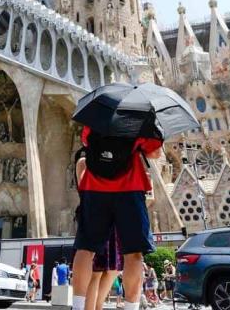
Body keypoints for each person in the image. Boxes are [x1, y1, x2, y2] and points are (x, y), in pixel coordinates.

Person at [70, 125, 164, 310]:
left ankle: (78, 306)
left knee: (85, 249)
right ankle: (131, 307)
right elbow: (155, 153)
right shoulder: (138, 119)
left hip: (94, 188)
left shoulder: (96, 118)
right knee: (134, 253)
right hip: (129, 188)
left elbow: (86, 143)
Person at [75, 148, 122, 310]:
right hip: (95, 216)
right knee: (96, 272)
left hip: (114, 219)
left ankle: (97, 306)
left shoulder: (114, 162)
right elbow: (84, 187)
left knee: (113, 269)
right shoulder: (84, 163)